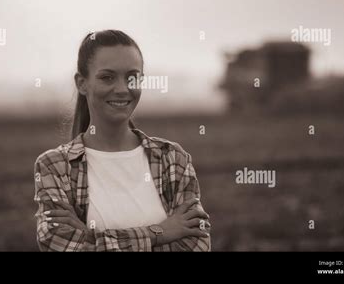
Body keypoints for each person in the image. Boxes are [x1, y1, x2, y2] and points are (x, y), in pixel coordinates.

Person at [33, 29, 211, 251]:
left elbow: (196, 244)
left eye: (132, 78)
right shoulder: (55, 166)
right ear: (82, 83)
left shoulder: (173, 159)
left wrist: (89, 237)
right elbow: (58, 244)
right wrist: (160, 233)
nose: (122, 89)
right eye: (107, 77)